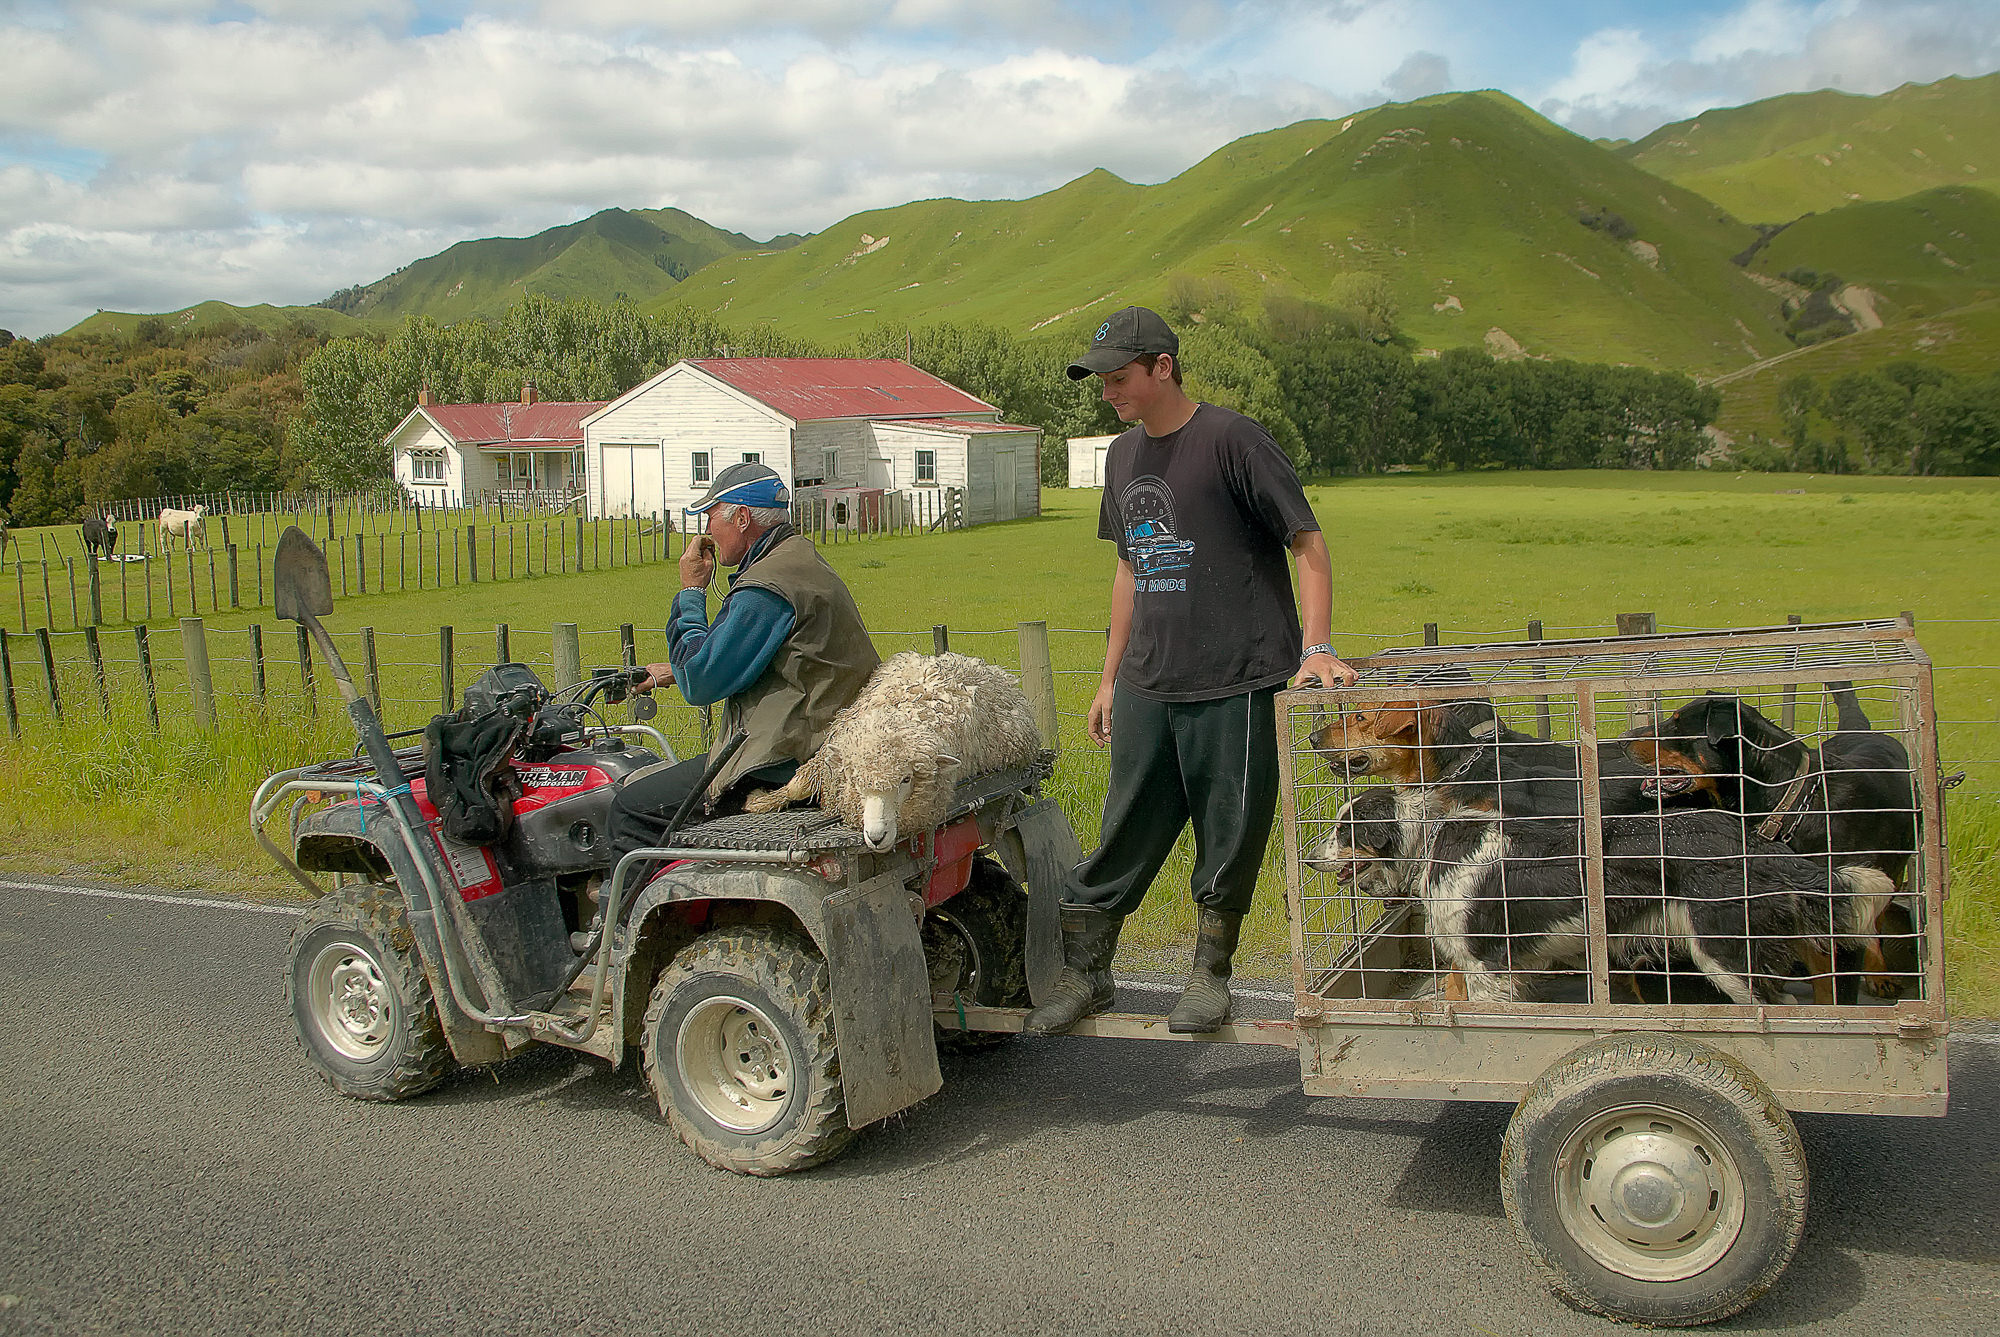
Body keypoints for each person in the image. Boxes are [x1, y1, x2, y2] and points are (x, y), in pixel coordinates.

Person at [1025, 306, 1359, 1036]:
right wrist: (1111, 677)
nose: (1109, 391)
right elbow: (1128, 567)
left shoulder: (1234, 440)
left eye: (1120, 377)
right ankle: (1089, 973)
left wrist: (1318, 645)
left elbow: (1306, 540)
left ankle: (1211, 975)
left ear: (1162, 367)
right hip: (1151, 678)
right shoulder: (1121, 457)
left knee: (1230, 828)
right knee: (1124, 827)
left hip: (1238, 677)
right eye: (1103, 380)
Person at [607, 461, 880, 863]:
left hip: (784, 761)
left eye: (710, 517)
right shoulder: (799, 559)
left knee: (630, 809)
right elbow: (786, 658)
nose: (705, 531)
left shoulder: (764, 588)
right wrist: (670, 671)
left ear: (741, 517)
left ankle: (631, 923)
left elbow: (699, 682)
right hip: (826, 742)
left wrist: (691, 593)